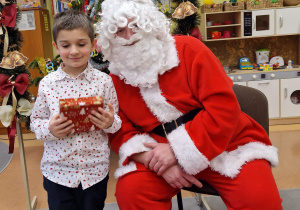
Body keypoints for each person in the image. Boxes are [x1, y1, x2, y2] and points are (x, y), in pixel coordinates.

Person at [96, 0, 283, 209]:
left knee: (259, 200)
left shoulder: (189, 49)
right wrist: (154, 161)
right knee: (132, 192)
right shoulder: (114, 78)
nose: (130, 37)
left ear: (151, 25)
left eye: (137, 26)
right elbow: (120, 129)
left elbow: (224, 108)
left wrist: (176, 151)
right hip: (156, 152)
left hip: (226, 142)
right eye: (120, 31)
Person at [30, 10, 121, 210]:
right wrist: (50, 129)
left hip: (94, 171)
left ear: (92, 44)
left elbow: (116, 120)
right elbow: (35, 122)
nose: (74, 51)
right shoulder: (48, 84)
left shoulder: (104, 81)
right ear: (56, 46)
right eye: (65, 45)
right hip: (58, 173)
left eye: (81, 44)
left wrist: (109, 123)